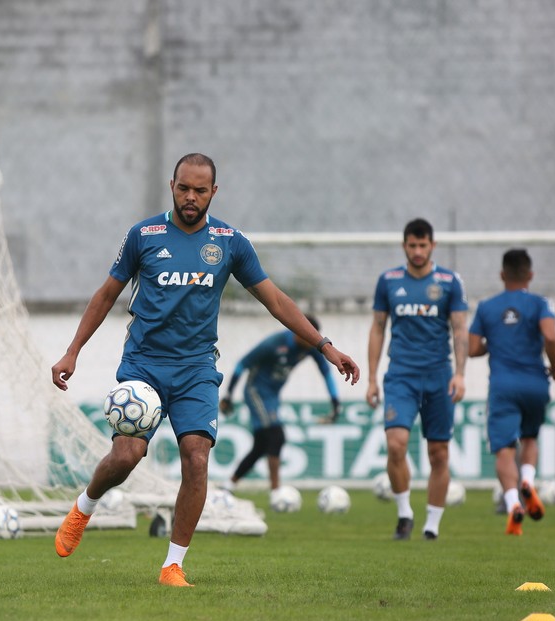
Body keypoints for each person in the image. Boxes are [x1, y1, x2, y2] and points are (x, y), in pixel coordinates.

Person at [50, 153, 360, 587]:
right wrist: (72, 352)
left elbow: (276, 301)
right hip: (144, 364)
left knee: (196, 459)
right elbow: (105, 295)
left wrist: (325, 346)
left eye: (200, 190)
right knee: (127, 456)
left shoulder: (230, 242)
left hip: (196, 368)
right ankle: (85, 505)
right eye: (183, 188)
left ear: (214, 192)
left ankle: (172, 565)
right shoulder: (144, 235)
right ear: (171, 185)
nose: (190, 197)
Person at [366, 218, 468, 541]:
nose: (418, 251)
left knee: (438, 453)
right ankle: (405, 513)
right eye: (413, 245)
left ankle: (432, 526)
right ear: (404, 246)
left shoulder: (451, 282)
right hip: (401, 377)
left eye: (424, 245)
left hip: (439, 376)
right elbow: (378, 328)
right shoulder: (389, 280)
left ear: (433, 246)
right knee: (395, 445)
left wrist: (461, 374)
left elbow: (460, 329)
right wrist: (371, 378)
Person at [468, 248, 555, 535]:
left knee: (504, 451)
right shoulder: (540, 303)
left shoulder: (486, 307)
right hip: (535, 382)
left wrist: (493, 343)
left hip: (503, 385)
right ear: (530, 275)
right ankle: (528, 482)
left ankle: (513, 505)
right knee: (530, 438)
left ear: (502, 274)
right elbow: (551, 335)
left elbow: (472, 349)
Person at [218, 315, 341, 492]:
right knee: (277, 436)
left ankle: (228, 485)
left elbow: (326, 372)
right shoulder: (274, 343)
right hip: (255, 391)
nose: (313, 341)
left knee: (261, 445)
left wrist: (335, 401)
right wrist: (229, 394)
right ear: (299, 332)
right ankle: (276, 491)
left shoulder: (311, 346)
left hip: (273, 396)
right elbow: (241, 364)